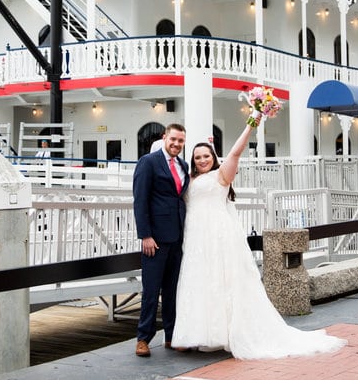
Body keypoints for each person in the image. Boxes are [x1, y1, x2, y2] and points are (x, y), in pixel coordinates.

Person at [171, 117, 346, 359]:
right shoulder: (189, 179)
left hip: (217, 235)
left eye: (206, 156)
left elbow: (236, 151)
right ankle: (196, 334)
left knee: (220, 281)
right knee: (198, 281)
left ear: (213, 157)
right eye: (198, 157)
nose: (202, 160)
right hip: (195, 236)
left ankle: (222, 334)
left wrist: (254, 120)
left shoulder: (222, 175)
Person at [132, 123, 189, 357]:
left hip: (177, 237)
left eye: (181, 141)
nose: (176, 144)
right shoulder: (149, 161)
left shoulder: (183, 165)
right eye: (173, 139)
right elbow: (140, 200)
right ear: (165, 137)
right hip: (154, 238)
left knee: (172, 290)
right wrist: (145, 234)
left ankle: (171, 335)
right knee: (151, 290)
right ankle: (143, 338)